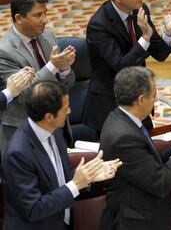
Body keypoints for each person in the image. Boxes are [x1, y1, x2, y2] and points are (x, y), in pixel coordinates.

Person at [2, 81, 122, 230]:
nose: (70, 111)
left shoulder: (55, 130)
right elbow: (33, 209)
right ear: (49, 117)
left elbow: (58, 177)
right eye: (65, 108)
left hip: (61, 221)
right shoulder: (18, 154)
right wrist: (76, 184)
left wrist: (89, 175)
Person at [83, 0, 171, 134]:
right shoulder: (99, 26)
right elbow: (121, 67)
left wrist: (168, 31)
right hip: (110, 107)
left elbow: (160, 53)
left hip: (139, 100)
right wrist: (145, 38)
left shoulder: (139, 11)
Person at [99, 66, 171, 230]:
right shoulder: (124, 136)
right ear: (140, 99)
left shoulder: (122, 119)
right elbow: (161, 182)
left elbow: (146, 161)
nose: (156, 100)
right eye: (153, 95)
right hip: (134, 223)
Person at [0, 0, 76, 158]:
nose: (45, 20)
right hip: (24, 133)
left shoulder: (48, 37)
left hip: (56, 125)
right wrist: (52, 66)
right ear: (19, 18)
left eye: (45, 13)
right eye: (37, 15)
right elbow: (25, 95)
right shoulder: (4, 52)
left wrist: (64, 69)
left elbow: (68, 85)